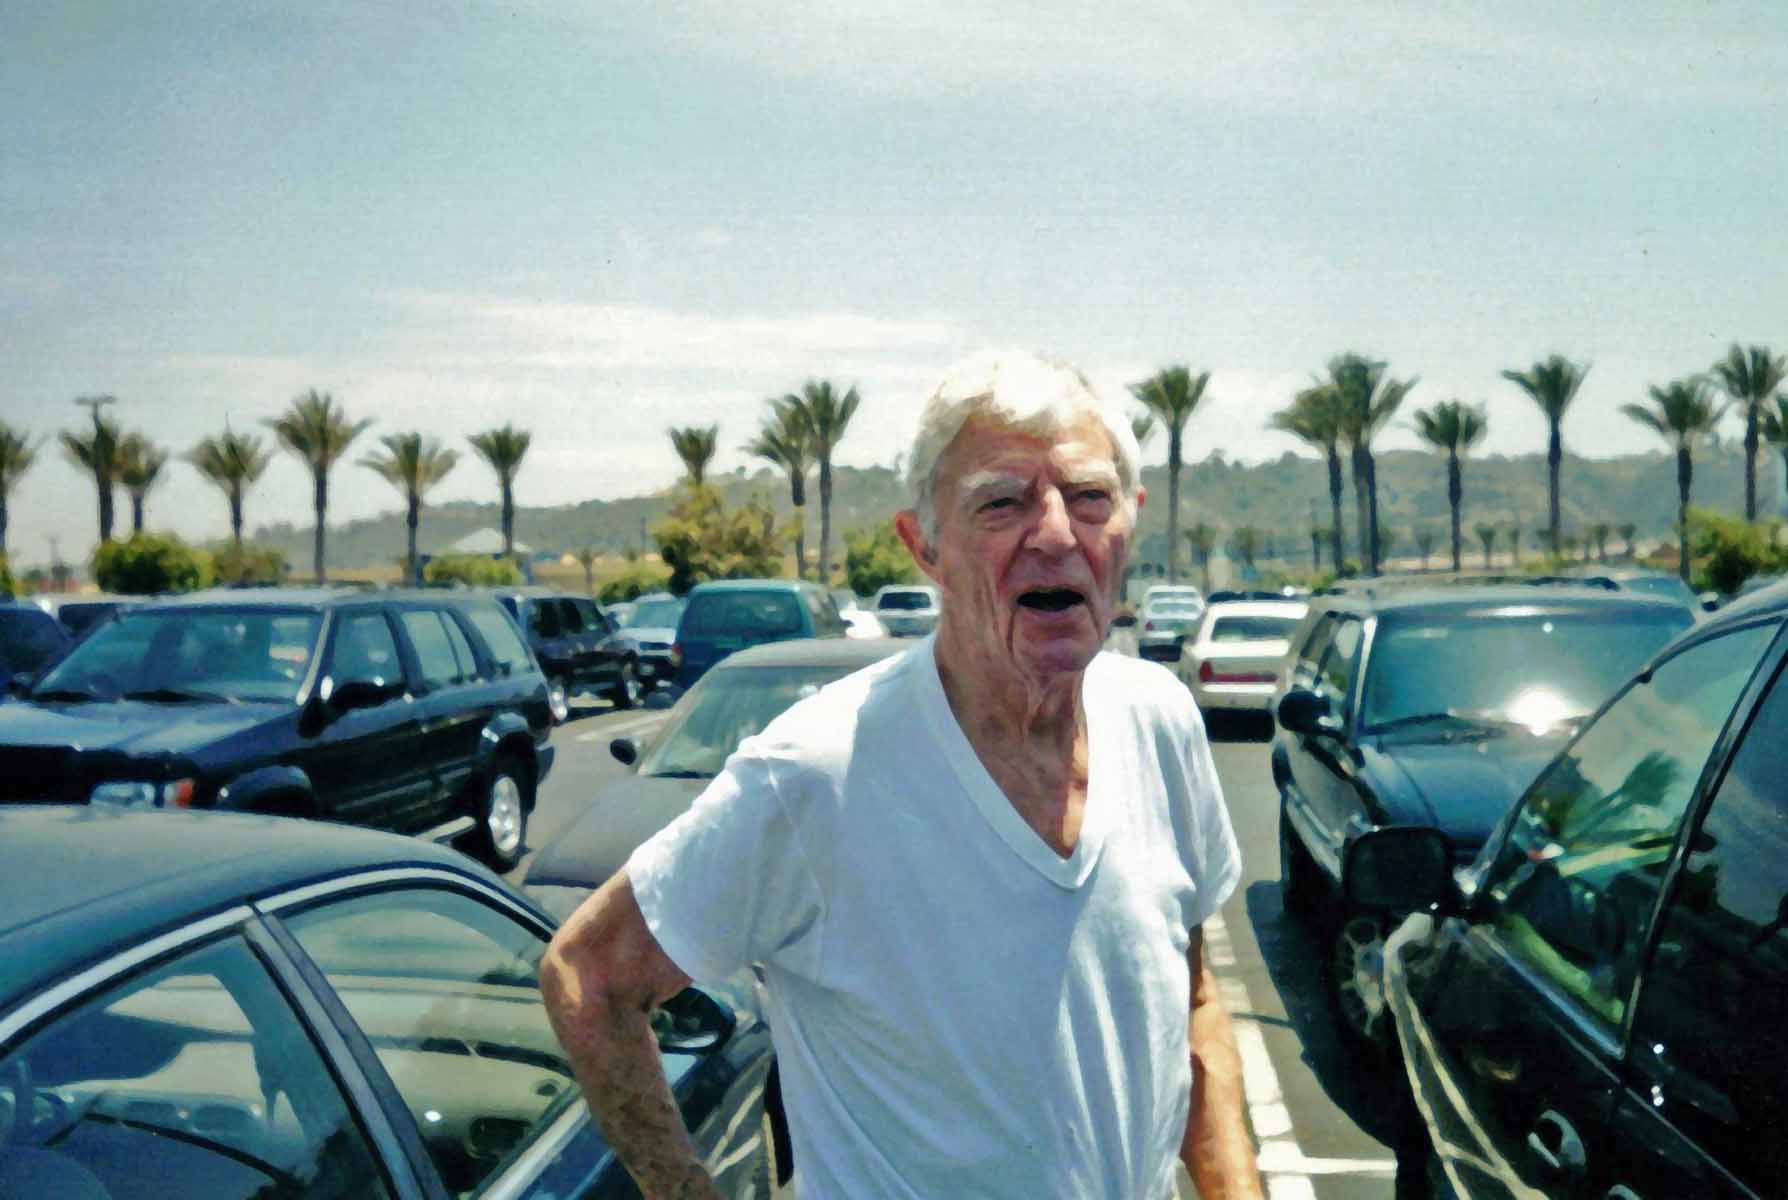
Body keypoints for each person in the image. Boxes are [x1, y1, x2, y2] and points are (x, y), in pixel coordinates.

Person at [541, 350, 1263, 1199]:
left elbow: (1192, 999)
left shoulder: (1160, 720)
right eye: (1002, 503)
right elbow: (589, 974)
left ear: (1128, 524)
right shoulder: (817, 775)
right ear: (925, 547)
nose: (1057, 534)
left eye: (1089, 497)